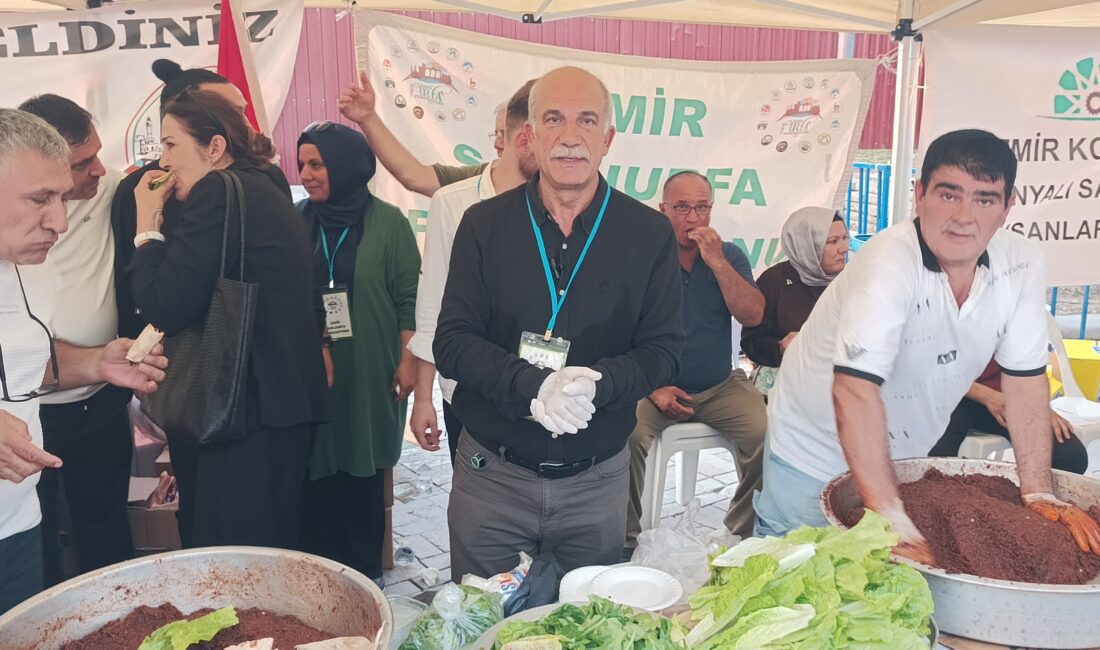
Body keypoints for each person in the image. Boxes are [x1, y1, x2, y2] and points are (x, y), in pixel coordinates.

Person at [755, 129, 1100, 560]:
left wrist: (1037, 494)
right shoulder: (888, 264)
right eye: (949, 195)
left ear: (1008, 206)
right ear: (919, 195)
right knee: (788, 576)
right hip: (813, 447)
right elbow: (854, 390)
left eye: (985, 199)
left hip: (900, 456)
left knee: (877, 592)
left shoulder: (1022, 263)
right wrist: (890, 518)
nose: (964, 217)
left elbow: (1026, 383)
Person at [434, 66, 683, 580]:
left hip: (597, 484)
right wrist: (536, 385)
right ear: (529, 136)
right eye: (554, 119)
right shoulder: (483, 225)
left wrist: (598, 385)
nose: (571, 137)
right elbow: (452, 343)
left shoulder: (650, 233)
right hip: (492, 479)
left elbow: (662, 350)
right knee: (484, 624)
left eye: (587, 121)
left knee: (582, 624)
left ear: (608, 138)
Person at [128, 90, 328, 550]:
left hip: (238, 410)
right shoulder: (266, 182)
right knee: (267, 547)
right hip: (277, 403)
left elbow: (165, 306)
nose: (163, 160)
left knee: (228, 555)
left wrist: (147, 225)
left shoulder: (217, 191)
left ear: (214, 147)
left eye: (171, 145)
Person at [0, 108, 166, 614]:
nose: (60, 220)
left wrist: (97, 363)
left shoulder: (33, 267)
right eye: (40, 199)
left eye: (60, 196)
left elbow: (27, 361)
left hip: (16, 523)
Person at [295, 121, 420, 586]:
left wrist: (408, 360)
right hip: (314, 368)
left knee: (362, 467)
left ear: (347, 167)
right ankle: (317, 574)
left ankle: (365, 577)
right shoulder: (297, 221)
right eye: (303, 163)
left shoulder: (389, 224)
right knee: (316, 465)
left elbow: (410, 297)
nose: (306, 173)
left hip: (371, 367)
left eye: (318, 163)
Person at [17, 94, 134, 585]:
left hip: (98, 405)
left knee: (105, 526)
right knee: (31, 540)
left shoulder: (111, 193)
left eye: (96, 154)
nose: (97, 171)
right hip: (25, 415)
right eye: (80, 163)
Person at [626, 171, 766, 545]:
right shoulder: (641, 256)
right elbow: (619, 329)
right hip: (653, 387)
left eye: (701, 207)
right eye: (682, 207)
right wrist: (653, 388)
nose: (692, 218)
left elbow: (753, 315)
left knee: (766, 432)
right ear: (663, 210)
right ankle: (625, 540)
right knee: (625, 434)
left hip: (719, 385)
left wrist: (717, 262)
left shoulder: (729, 255)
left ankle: (743, 531)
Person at [407, 79, 538, 464]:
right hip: (468, 390)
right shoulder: (455, 203)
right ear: (526, 136)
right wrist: (425, 397)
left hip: (542, 387)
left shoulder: (564, 204)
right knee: (479, 509)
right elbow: (433, 304)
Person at [112, 59, 249, 339]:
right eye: (232, 113)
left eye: (243, 113)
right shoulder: (138, 189)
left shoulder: (247, 183)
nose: (245, 124)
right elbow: (131, 291)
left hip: (231, 348)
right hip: (167, 360)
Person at [741, 207, 849, 396]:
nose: (844, 248)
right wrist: (781, 347)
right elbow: (751, 343)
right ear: (807, 245)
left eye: (845, 238)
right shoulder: (774, 281)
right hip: (787, 383)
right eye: (832, 241)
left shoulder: (850, 280)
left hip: (839, 380)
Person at [338, 70, 497, 197]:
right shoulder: (485, 178)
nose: (498, 143)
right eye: (498, 134)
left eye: (505, 134)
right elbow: (416, 177)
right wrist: (368, 118)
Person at [930, 358, 1088, 473]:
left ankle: (1024, 509)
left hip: (1007, 396)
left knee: (1071, 456)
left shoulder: (1018, 315)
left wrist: (1039, 405)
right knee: (932, 462)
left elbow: (1029, 366)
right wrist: (987, 396)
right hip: (946, 395)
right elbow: (926, 367)